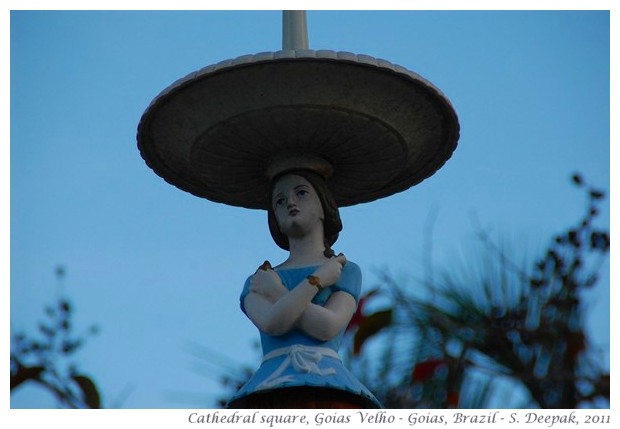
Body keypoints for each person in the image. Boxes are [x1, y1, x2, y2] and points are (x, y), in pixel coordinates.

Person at [227, 169, 382, 408]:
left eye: (301, 193)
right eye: (279, 201)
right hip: (270, 388)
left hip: (330, 387)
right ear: (275, 218)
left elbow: (327, 326)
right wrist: (318, 280)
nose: (290, 202)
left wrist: (279, 292)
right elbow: (273, 323)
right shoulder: (258, 280)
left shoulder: (345, 271)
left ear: (323, 206)